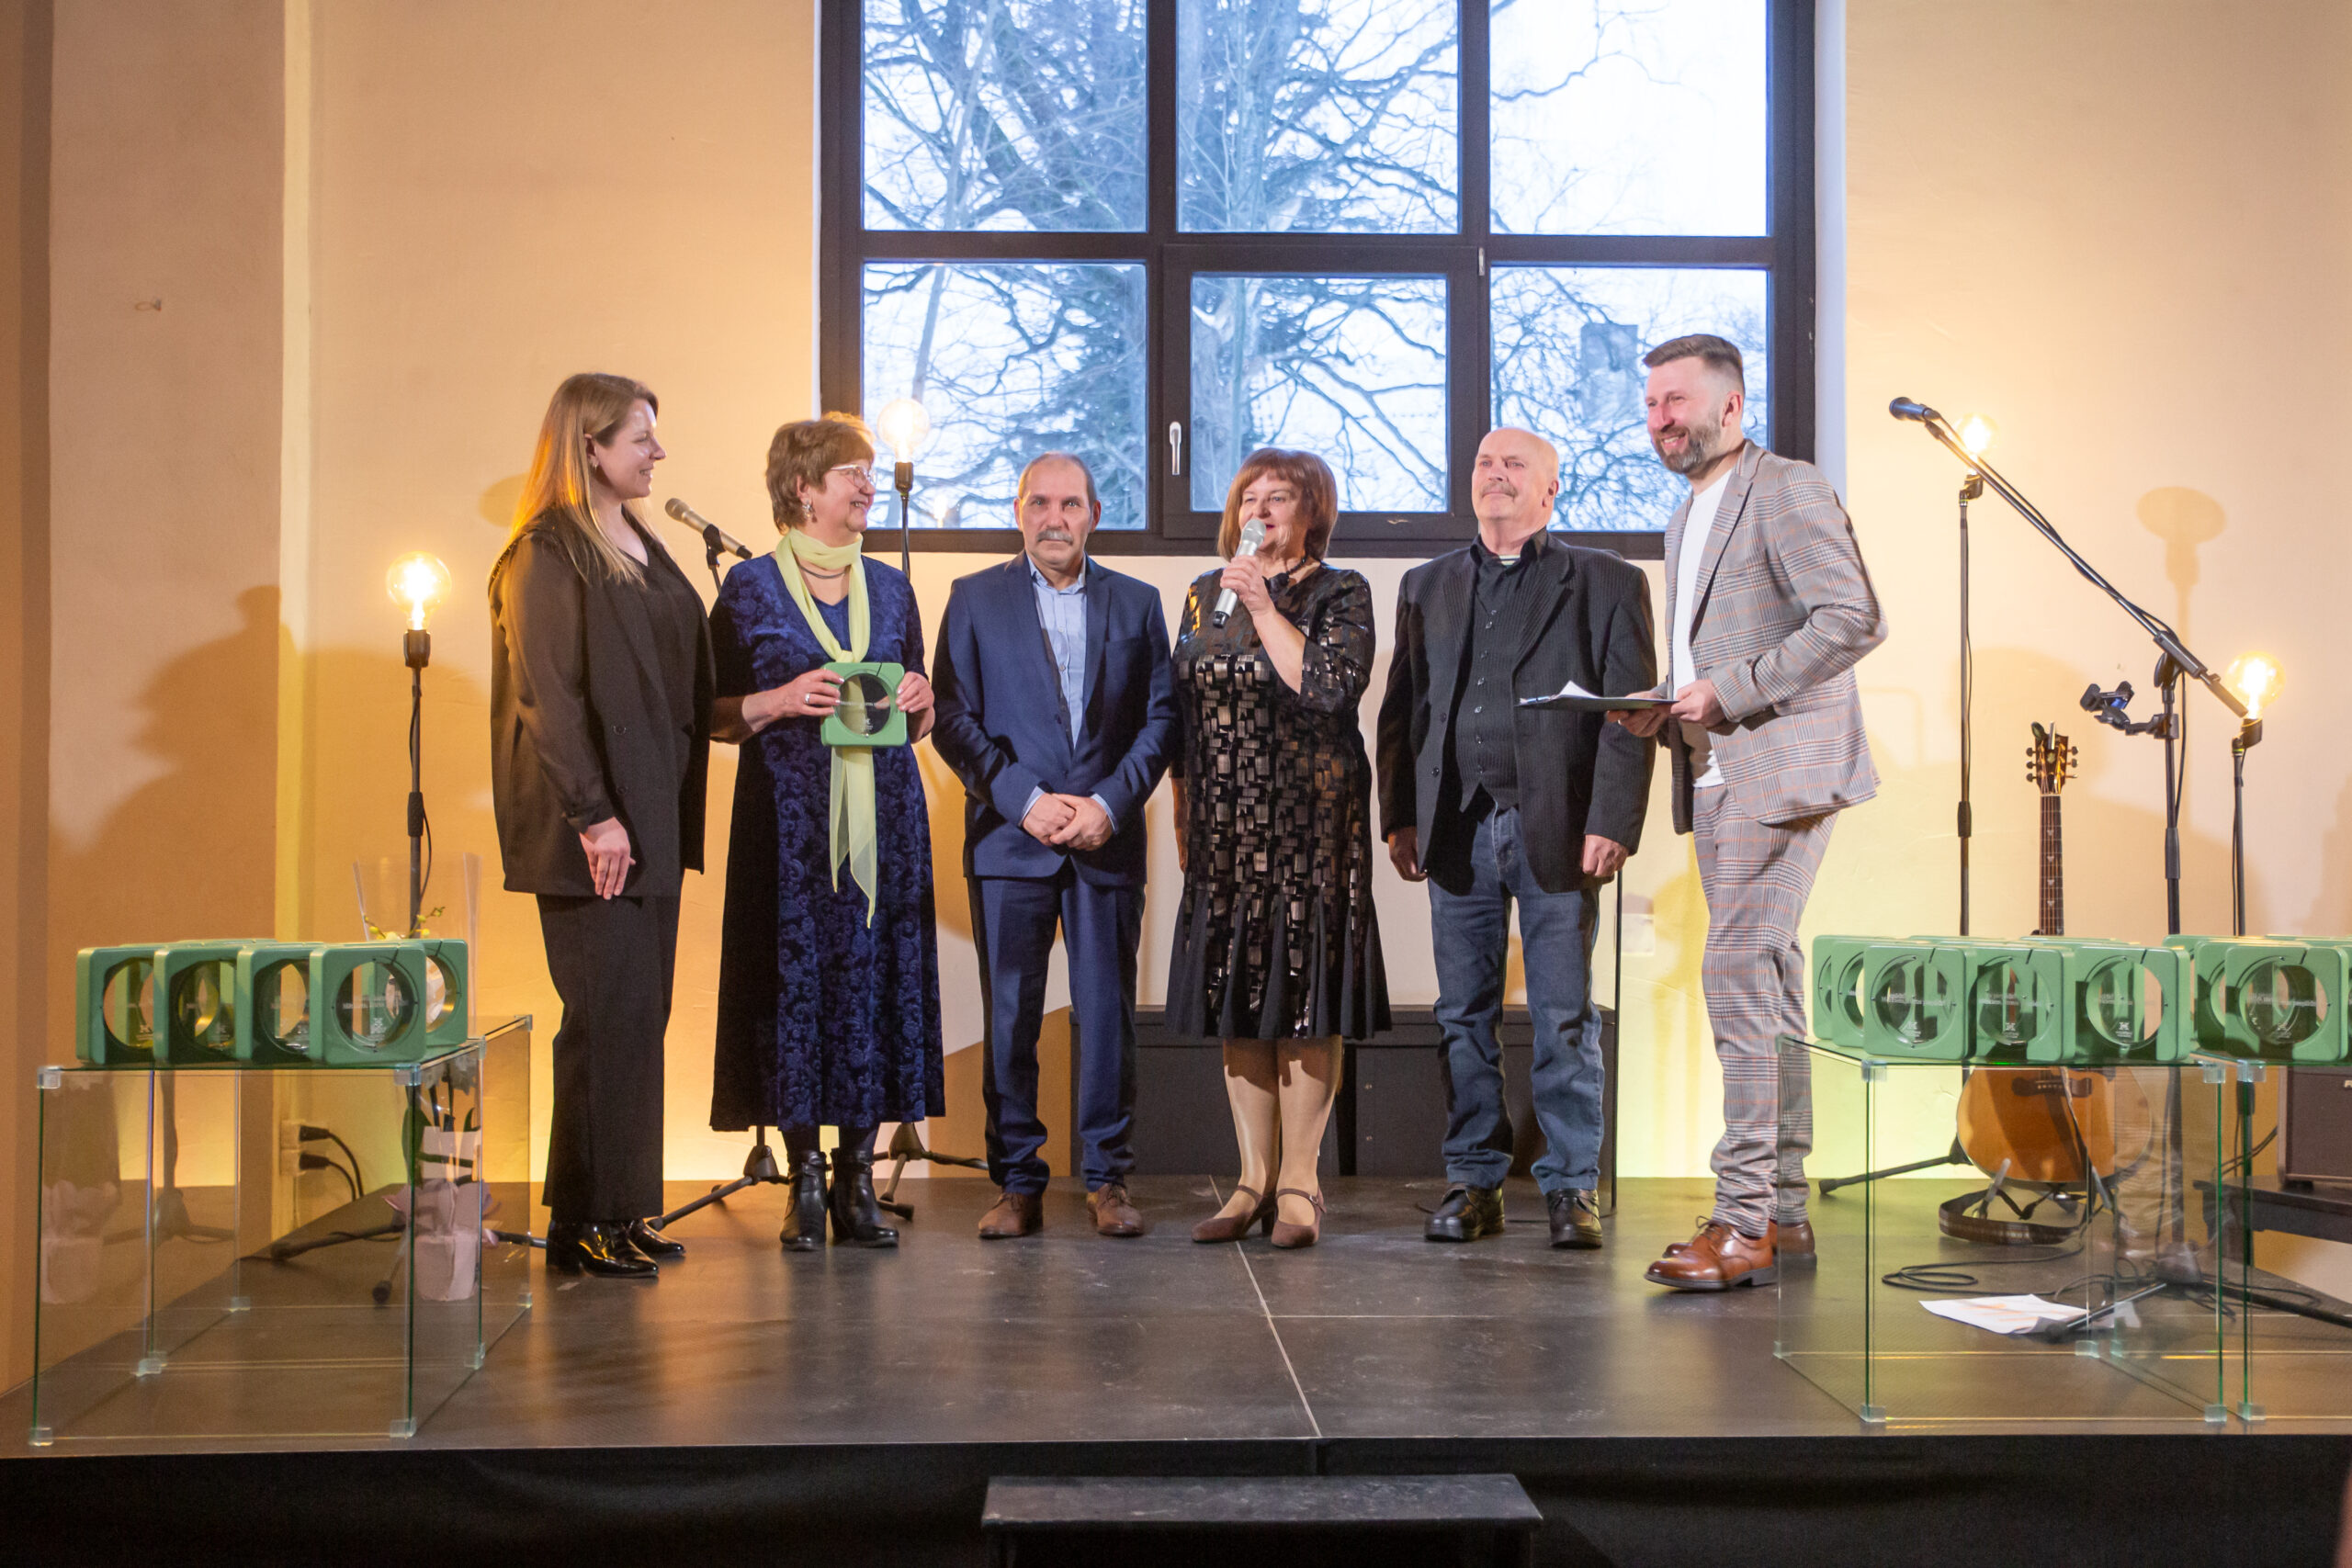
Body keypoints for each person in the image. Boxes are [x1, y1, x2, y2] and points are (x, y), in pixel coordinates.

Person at [1611, 333, 1884, 1292]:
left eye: (1675, 401)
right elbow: (1713, 652)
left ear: (1730, 406)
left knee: (1734, 968)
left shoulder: (1788, 488)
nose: (1659, 419)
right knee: (1768, 977)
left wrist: (1729, 690)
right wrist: (1669, 698)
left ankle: (1743, 1219)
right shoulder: (1686, 515)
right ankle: (1787, 1212)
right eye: (1651, 404)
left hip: (1784, 767)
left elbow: (1853, 618)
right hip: (1715, 774)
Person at [1376, 428, 1656, 1251]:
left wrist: (1613, 818)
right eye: (1483, 464)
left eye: (1513, 465)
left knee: (1563, 1015)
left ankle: (1571, 1186)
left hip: (1560, 827)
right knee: (1462, 1015)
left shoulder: (1607, 581)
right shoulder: (1426, 583)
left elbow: (1631, 713)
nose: (1494, 475)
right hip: (1456, 826)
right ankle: (1475, 1180)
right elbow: (1404, 709)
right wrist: (1399, 814)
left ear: (1550, 489)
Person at [489, 373, 713, 1279]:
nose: (658, 452)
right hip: (593, 831)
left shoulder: (643, 543)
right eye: (641, 437)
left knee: (638, 1018)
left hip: (650, 818)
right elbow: (547, 693)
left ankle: (619, 1210)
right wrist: (594, 815)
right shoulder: (545, 552)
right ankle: (579, 1221)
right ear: (590, 445)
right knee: (602, 1019)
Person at [707, 412, 944, 1252]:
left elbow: (917, 708)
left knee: (874, 986)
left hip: (887, 824)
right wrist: (775, 700)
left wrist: (923, 701)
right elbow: (710, 713)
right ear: (803, 486)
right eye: (852, 472)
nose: (868, 486)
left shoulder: (893, 587)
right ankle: (803, 1176)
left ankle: (856, 1176)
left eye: (870, 473)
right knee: (795, 988)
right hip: (786, 828)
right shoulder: (749, 589)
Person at [930, 454, 1176, 1240]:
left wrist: (1109, 803)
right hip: (1010, 841)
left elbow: (1162, 719)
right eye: (1039, 502)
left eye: (1070, 504)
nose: (1054, 518)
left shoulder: (1137, 603)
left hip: (1106, 839)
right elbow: (952, 718)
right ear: (1018, 512)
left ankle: (1107, 1178)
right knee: (1011, 1018)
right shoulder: (973, 599)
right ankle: (1017, 1182)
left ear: (1094, 515)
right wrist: (1025, 801)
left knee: (1107, 1018)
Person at [1170, 448, 1387, 1250]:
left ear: (1311, 511)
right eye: (1249, 497)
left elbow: (1327, 688)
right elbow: (1184, 710)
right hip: (1225, 829)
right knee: (1237, 995)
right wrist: (1182, 809)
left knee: (1304, 996)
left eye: (1280, 497)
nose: (1260, 510)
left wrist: (1263, 606)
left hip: (1310, 827)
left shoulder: (1341, 591)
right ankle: (1251, 1179)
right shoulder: (1203, 594)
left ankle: (1300, 1180)